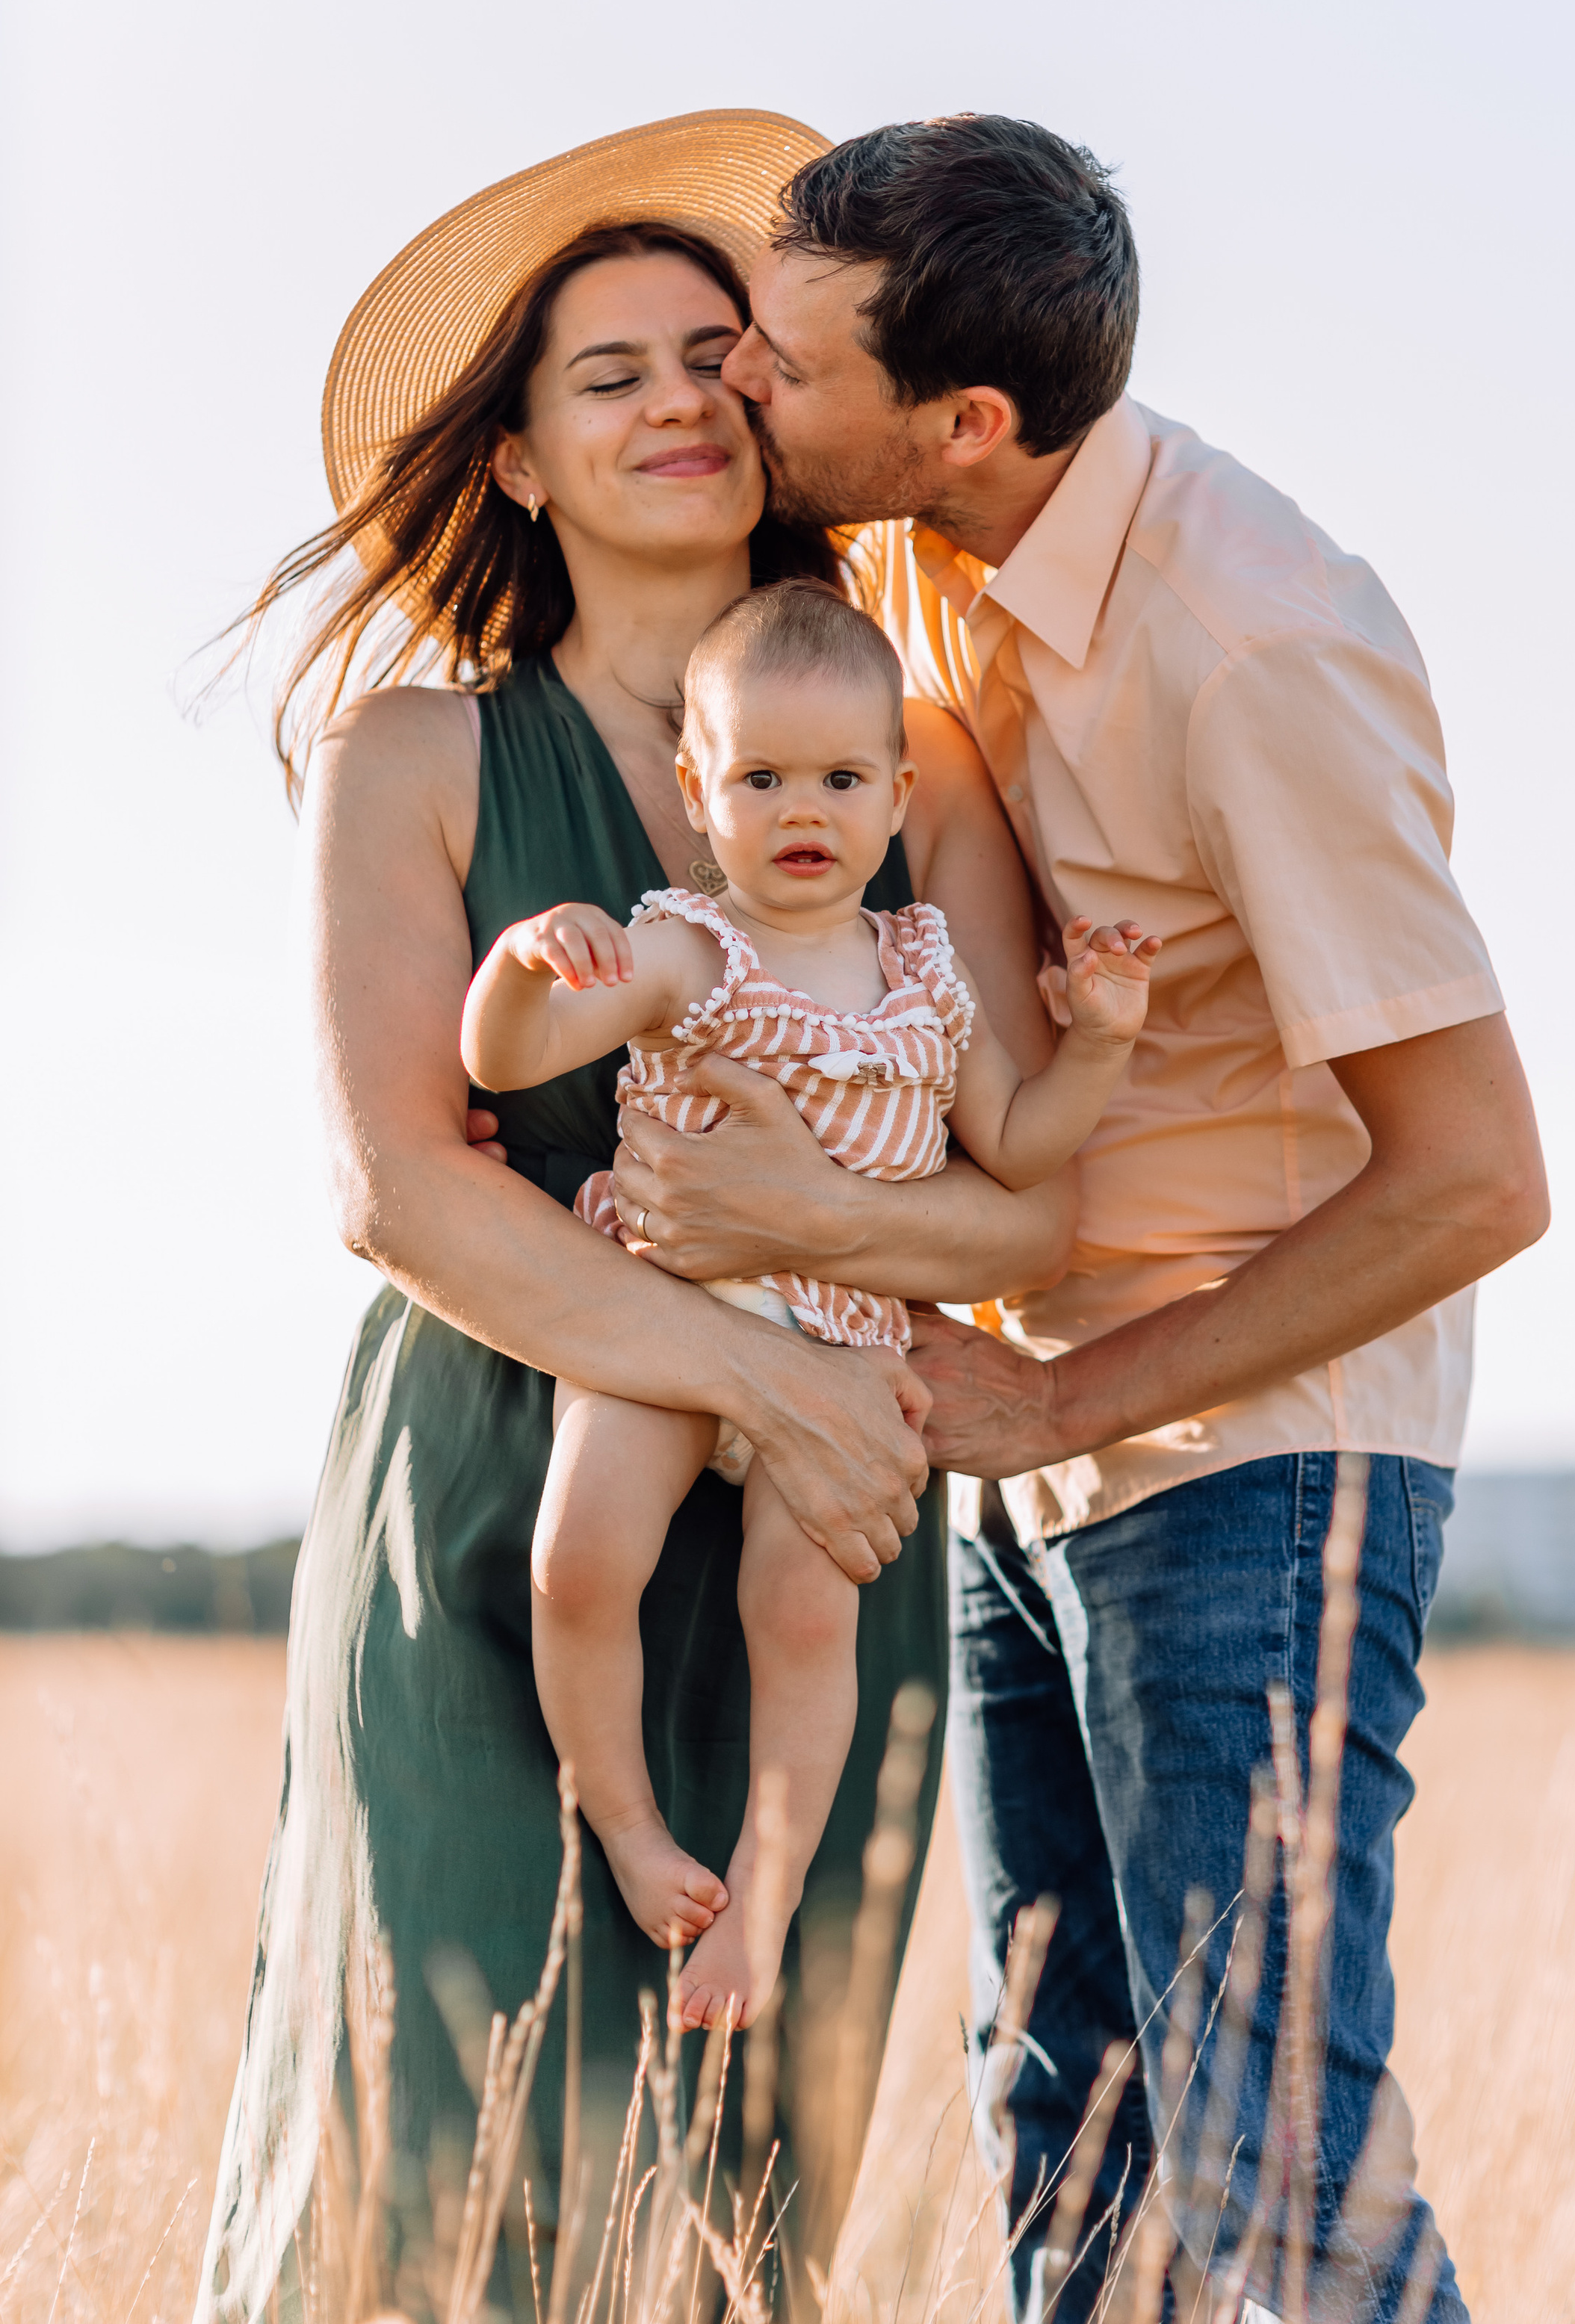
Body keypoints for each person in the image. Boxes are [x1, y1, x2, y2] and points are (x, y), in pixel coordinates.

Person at [607, 115, 1551, 2324]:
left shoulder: (1253, 645)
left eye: (788, 364)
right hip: (1029, 1427)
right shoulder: (933, 539)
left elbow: (1482, 1173)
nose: (743, 382)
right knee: (1076, 2158)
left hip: (1251, 1456)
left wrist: (1065, 1403)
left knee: (1276, 2184)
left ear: (966, 421)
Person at [197, 113, 1076, 2324]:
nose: (683, 397)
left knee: (730, 2197)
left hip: (818, 1533)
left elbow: (1027, 1206)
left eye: (715, 353)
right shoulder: (412, 757)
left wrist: (824, 1307)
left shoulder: (925, 766)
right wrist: (772, 1369)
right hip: (502, 1515)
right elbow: (398, 1193)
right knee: (434, 2158)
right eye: (610, 375)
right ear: (509, 459)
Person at [464, 579, 1159, 2034]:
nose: (804, 808)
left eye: (841, 778)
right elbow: (515, 1056)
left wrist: (1096, 1046)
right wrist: (522, 976)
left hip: (843, 1346)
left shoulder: (919, 973)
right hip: (677, 1315)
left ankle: (760, 1904)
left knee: (800, 1615)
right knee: (581, 1558)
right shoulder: (682, 949)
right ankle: (631, 1827)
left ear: (897, 795)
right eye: (760, 777)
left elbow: (1022, 1145)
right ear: (694, 791)